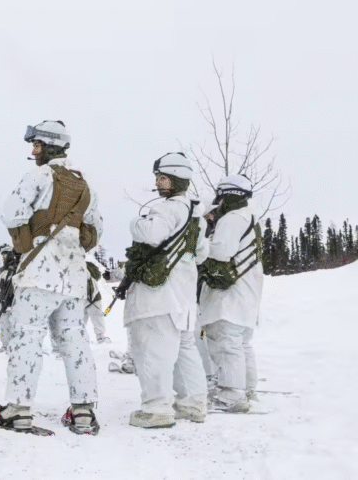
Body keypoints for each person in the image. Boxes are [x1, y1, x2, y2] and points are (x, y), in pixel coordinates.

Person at [0, 120, 102, 435]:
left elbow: (10, 212)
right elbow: (95, 231)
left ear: (50, 146)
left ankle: (17, 409)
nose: (33, 151)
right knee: (74, 339)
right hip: (73, 275)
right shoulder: (85, 185)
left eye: (37, 145)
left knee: (27, 337)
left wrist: (28, 239)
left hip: (39, 271)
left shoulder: (38, 175)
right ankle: (84, 412)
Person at [122, 152, 210, 428]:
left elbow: (151, 234)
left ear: (174, 180)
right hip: (183, 296)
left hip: (158, 296)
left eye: (162, 178)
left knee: (152, 350)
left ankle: (156, 408)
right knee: (185, 349)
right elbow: (201, 255)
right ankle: (193, 403)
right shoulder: (197, 216)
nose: (158, 183)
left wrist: (134, 223)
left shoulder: (167, 208)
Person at [198, 174, 264, 413]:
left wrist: (199, 246)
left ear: (227, 195)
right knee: (242, 344)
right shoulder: (250, 218)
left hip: (229, 295)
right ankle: (247, 391)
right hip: (246, 293)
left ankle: (231, 396)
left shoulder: (232, 219)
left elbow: (221, 251)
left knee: (226, 343)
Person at [84, 256, 111, 344]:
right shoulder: (89, 265)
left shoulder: (86, 265)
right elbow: (98, 276)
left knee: (94, 319)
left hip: (90, 299)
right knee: (95, 319)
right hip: (88, 299)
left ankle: (99, 337)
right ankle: (99, 337)